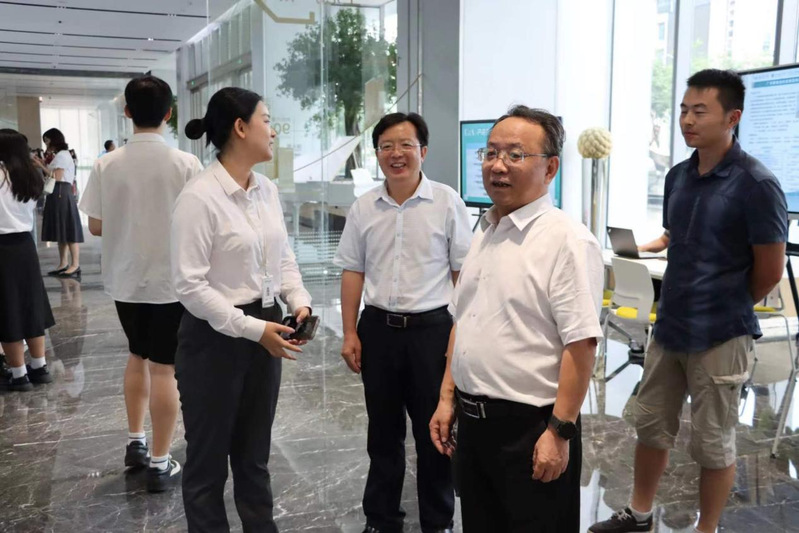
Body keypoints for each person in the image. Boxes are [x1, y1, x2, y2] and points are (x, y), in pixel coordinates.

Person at [589, 69, 788, 533]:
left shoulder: (757, 184)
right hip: (670, 328)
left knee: (714, 443)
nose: (687, 120)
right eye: (683, 110)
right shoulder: (678, 176)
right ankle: (639, 514)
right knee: (651, 427)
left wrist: (723, 303)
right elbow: (675, 237)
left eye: (700, 111)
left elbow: (769, 271)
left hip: (721, 334)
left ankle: (706, 528)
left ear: (732, 117)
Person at [429, 105, 604, 532]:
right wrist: (447, 398)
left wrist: (559, 432)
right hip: (474, 426)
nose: (497, 165)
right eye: (490, 153)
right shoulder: (486, 230)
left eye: (515, 154)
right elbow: (462, 321)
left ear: (551, 168)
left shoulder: (566, 240)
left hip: (531, 428)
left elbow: (581, 344)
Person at [172, 87, 312, 532]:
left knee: (255, 456)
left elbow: (282, 257)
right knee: (208, 462)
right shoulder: (199, 197)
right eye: (266, 120)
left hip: (265, 327)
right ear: (240, 127)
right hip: (213, 339)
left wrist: (299, 300)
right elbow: (189, 285)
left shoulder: (265, 190)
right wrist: (253, 329)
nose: (273, 131)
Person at [334, 112, 472, 533]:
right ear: (377, 153)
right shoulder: (363, 207)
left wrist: (464, 336)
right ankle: (381, 517)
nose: (396, 154)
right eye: (386, 146)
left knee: (437, 431)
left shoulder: (446, 202)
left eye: (406, 145)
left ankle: (438, 520)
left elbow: (463, 274)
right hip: (378, 331)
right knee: (382, 432)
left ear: (423, 151)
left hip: (433, 332)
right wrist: (350, 331)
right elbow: (353, 270)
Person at [79, 75, 203, 492]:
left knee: (137, 354)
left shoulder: (106, 163)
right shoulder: (186, 164)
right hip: (171, 281)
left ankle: (136, 442)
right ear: (169, 113)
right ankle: (160, 463)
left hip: (125, 278)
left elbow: (96, 226)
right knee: (164, 367)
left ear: (127, 112)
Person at [0, 128, 55, 391]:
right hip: (25, 245)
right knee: (31, 305)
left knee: (8, 308)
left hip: (2, 247)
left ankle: (19, 374)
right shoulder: (30, 175)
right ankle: (39, 366)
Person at [34, 128, 83, 278]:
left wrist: (41, 166)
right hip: (59, 193)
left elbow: (57, 176)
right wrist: (42, 163)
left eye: (47, 141)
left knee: (67, 229)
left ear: (53, 140)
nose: (46, 144)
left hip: (61, 192)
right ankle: (63, 263)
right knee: (61, 230)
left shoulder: (62, 155)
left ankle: (74, 265)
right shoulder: (60, 155)